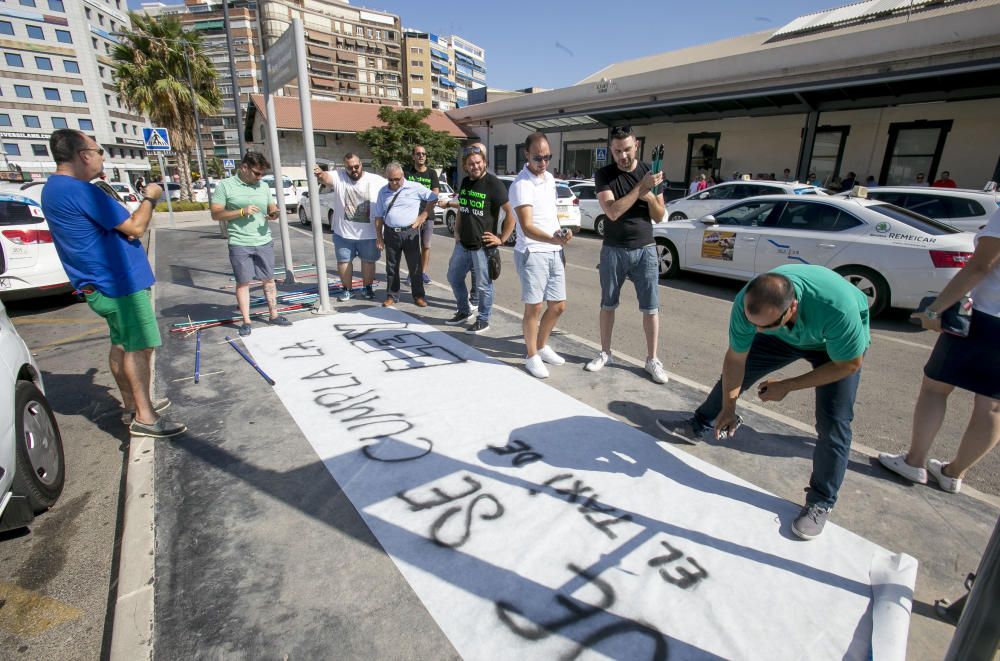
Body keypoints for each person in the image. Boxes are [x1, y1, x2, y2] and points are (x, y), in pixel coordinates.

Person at [658, 265, 869, 540]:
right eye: (753, 323)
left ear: (792, 307)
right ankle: (700, 424)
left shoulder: (836, 308)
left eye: (764, 325)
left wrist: (788, 385)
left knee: (834, 422)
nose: (755, 329)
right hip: (783, 335)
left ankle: (821, 502)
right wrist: (729, 407)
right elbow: (736, 359)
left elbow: (849, 364)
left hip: (832, 347)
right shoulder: (748, 306)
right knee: (731, 383)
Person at [41, 129, 185, 438]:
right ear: (84, 155)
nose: (102, 156)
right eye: (99, 151)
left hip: (100, 285)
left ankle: (133, 405)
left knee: (121, 344)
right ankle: (145, 417)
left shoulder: (54, 188)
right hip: (121, 285)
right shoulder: (82, 191)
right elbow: (135, 227)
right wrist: (151, 197)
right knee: (139, 347)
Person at [879, 207, 1000, 494]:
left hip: (984, 317)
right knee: (993, 406)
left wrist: (935, 309)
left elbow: (981, 266)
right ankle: (954, 473)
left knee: (935, 388)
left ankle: (914, 461)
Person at [586, 125, 669, 384]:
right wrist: (640, 189)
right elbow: (611, 211)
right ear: (611, 150)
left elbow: (659, 215)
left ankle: (652, 359)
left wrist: (649, 196)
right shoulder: (605, 174)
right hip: (613, 249)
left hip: (645, 248)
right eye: (617, 151)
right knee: (607, 304)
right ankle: (605, 352)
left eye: (627, 150)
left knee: (651, 307)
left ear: (637, 146)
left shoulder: (650, 172)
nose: (622, 156)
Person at [210, 151, 292, 337]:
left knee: (269, 279)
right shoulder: (225, 186)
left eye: (262, 174)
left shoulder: (262, 186)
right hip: (240, 242)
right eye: (256, 173)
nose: (260, 177)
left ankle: (274, 314)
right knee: (243, 282)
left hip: (263, 240)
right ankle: (246, 321)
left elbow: (272, 207)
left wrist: (274, 213)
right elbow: (216, 214)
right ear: (244, 167)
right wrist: (240, 212)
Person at [509, 133, 571, 379]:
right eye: (538, 157)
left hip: (554, 250)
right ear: (526, 154)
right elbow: (526, 227)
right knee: (534, 306)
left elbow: (549, 216)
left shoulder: (550, 180)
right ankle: (531, 355)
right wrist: (553, 239)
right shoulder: (521, 184)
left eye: (547, 157)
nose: (543, 162)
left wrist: (561, 236)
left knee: (558, 306)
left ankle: (542, 346)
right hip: (532, 251)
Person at [442, 144, 514, 334]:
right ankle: (464, 311)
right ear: (466, 166)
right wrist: (457, 232)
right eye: (471, 164)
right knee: (453, 277)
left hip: (483, 247)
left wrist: (502, 238)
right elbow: (462, 208)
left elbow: (510, 213)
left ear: (484, 163)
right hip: (463, 243)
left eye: (478, 162)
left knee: (484, 285)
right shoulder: (465, 182)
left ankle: (483, 319)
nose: (475, 166)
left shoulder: (494, 184)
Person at [314, 154, 386, 302]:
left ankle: (367, 288)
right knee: (343, 262)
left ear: (361, 164)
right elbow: (325, 178)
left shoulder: (375, 180)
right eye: (349, 167)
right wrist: (320, 173)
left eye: (356, 166)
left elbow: (393, 187)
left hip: (369, 234)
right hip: (343, 233)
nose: (353, 170)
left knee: (368, 262)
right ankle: (347, 290)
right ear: (344, 167)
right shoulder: (339, 176)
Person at [373, 162, 437, 307]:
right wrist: (379, 237)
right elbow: (378, 216)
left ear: (403, 175)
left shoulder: (414, 187)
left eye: (397, 179)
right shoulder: (383, 191)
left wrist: (423, 216)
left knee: (415, 266)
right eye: (391, 179)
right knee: (391, 267)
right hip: (391, 233)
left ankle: (419, 296)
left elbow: (433, 197)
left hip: (410, 232)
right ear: (387, 178)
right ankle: (392, 295)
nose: (394, 182)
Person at [404, 145, 439, 285]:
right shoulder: (407, 173)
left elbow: (435, 192)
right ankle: (412, 273)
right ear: (413, 156)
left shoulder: (431, 173)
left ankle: (423, 273)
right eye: (418, 153)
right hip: (411, 216)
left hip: (428, 215)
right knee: (412, 247)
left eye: (423, 154)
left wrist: (426, 210)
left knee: (426, 246)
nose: (421, 156)